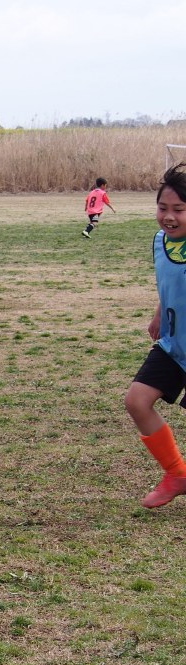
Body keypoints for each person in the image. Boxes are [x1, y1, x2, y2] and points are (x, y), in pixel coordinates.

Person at [124, 164, 186, 508]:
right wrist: (160, 311)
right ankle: (177, 474)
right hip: (174, 345)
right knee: (137, 401)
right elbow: (169, 282)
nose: (169, 217)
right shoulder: (160, 242)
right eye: (163, 208)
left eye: (179, 209)